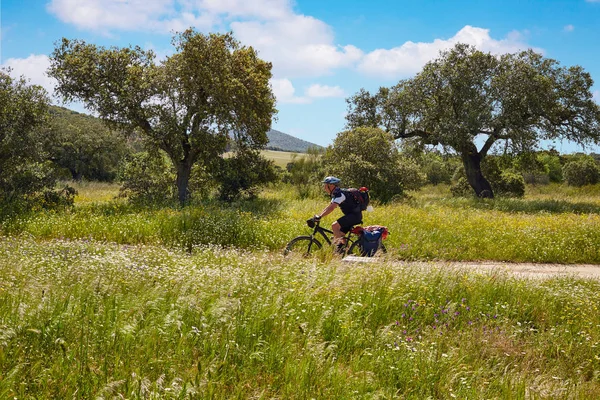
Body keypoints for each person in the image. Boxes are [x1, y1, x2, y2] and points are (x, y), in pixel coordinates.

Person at [314, 176, 363, 252]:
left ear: (331, 185)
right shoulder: (336, 194)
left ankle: (339, 251)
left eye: (325, 186)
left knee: (334, 226)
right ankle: (348, 252)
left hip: (354, 216)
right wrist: (319, 215)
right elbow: (329, 207)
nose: (324, 188)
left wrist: (320, 216)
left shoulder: (340, 195)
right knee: (340, 234)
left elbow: (332, 208)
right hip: (352, 216)